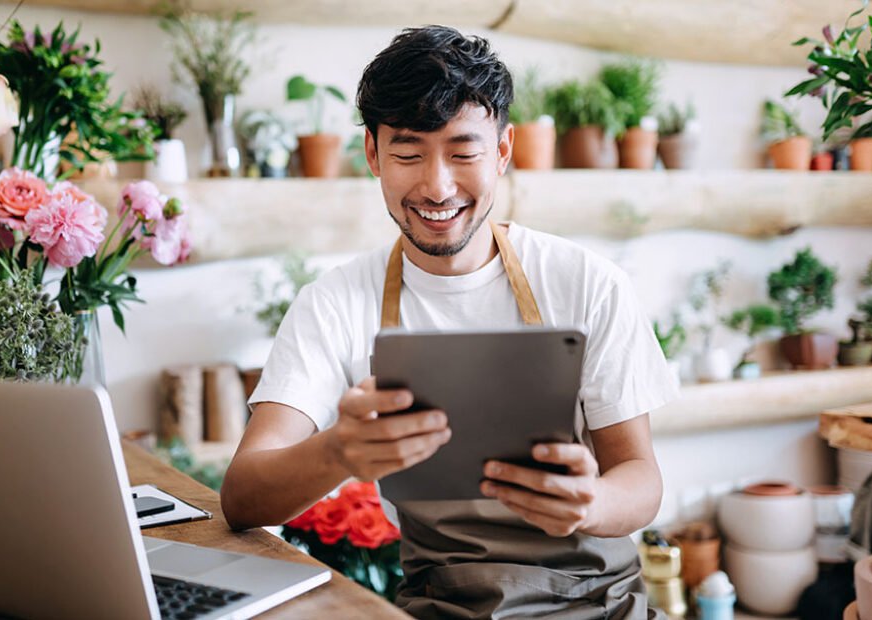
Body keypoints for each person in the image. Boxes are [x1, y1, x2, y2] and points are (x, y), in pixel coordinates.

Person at [220, 25, 679, 619]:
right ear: (372, 154)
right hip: (442, 607)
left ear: (504, 151)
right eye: (408, 154)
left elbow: (640, 478)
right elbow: (241, 496)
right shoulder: (333, 304)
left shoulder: (586, 282)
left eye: (464, 153)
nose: (437, 186)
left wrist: (589, 502)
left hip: (599, 604)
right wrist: (338, 450)